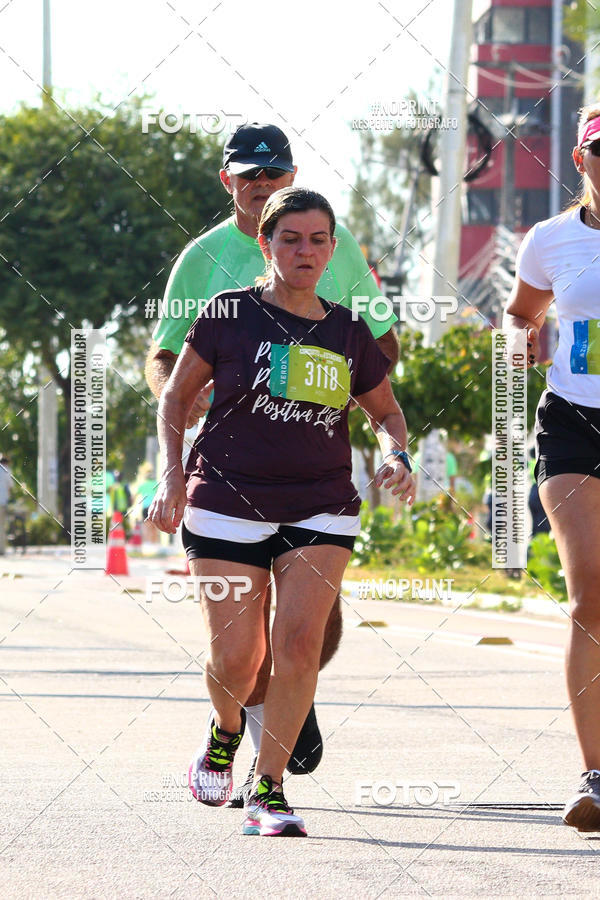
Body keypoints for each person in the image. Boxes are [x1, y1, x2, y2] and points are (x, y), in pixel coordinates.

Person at [148, 187, 415, 837]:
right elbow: (176, 401)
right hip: (226, 500)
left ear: (332, 250)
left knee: (298, 643)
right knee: (239, 658)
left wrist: (397, 454)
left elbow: (385, 411)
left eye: (318, 240)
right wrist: (170, 474)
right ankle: (225, 730)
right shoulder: (226, 315)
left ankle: (267, 788)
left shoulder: (347, 329)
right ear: (265, 245)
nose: (305, 250)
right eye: (290, 239)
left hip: (321, 505)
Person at [504, 103, 600, 831]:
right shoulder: (550, 240)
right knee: (589, 597)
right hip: (572, 426)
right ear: (581, 159)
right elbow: (520, 313)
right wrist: (522, 342)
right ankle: (595, 776)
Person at [0, 456, 11, 555]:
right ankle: (1, 550)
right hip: (2, 502)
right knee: (2, 525)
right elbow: (10, 486)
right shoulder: (6, 470)